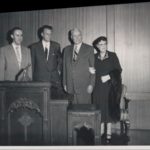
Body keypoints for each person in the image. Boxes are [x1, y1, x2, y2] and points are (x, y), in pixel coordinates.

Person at [92, 36, 122, 143]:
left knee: (108, 108)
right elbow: (90, 70)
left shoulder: (112, 56)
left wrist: (108, 76)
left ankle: (108, 132)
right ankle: (100, 131)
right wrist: (90, 71)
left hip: (110, 87)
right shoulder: (94, 57)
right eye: (100, 44)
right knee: (99, 107)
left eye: (104, 43)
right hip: (97, 87)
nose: (103, 46)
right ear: (96, 46)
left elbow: (118, 70)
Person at [63, 28, 95, 104]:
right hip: (70, 86)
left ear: (82, 36)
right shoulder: (66, 50)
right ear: (71, 37)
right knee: (72, 112)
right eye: (74, 36)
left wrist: (91, 84)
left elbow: (92, 69)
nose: (77, 37)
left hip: (84, 86)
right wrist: (64, 83)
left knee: (84, 111)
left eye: (79, 35)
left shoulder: (89, 49)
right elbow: (64, 68)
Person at [30, 25, 63, 99]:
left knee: (54, 101)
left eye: (50, 34)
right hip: (39, 80)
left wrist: (58, 71)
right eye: (47, 34)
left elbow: (60, 60)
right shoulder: (34, 47)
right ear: (42, 34)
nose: (49, 36)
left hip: (54, 81)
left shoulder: (56, 45)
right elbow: (32, 64)